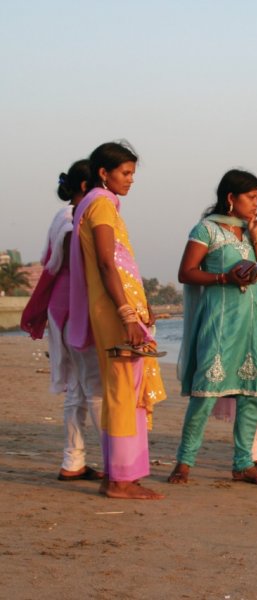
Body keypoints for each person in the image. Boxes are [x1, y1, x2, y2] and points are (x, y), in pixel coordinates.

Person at [169, 169, 257, 485]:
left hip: (253, 321)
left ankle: (243, 463)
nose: (256, 203)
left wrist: (256, 237)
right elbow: (186, 272)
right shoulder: (206, 230)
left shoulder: (250, 234)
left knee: (251, 394)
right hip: (220, 321)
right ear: (231, 198)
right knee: (205, 393)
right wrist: (224, 278)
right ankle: (184, 462)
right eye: (251, 197)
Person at [68, 141, 167, 499]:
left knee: (125, 389)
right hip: (113, 311)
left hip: (114, 307)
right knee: (123, 391)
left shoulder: (95, 206)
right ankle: (119, 480)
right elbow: (108, 263)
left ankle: (123, 473)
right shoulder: (101, 206)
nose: (130, 180)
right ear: (103, 173)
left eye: (132, 174)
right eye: (125, 173)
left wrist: (140, 306)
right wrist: (127, 314)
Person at [21, 160, 104, 481]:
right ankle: (115, 462)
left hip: (62, 307)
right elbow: (79, 259)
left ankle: (73, 461)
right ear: (86, 187)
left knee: (77, 387)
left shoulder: (61, 218)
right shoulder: (73, 221)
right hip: (75, 308)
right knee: (93, 386)